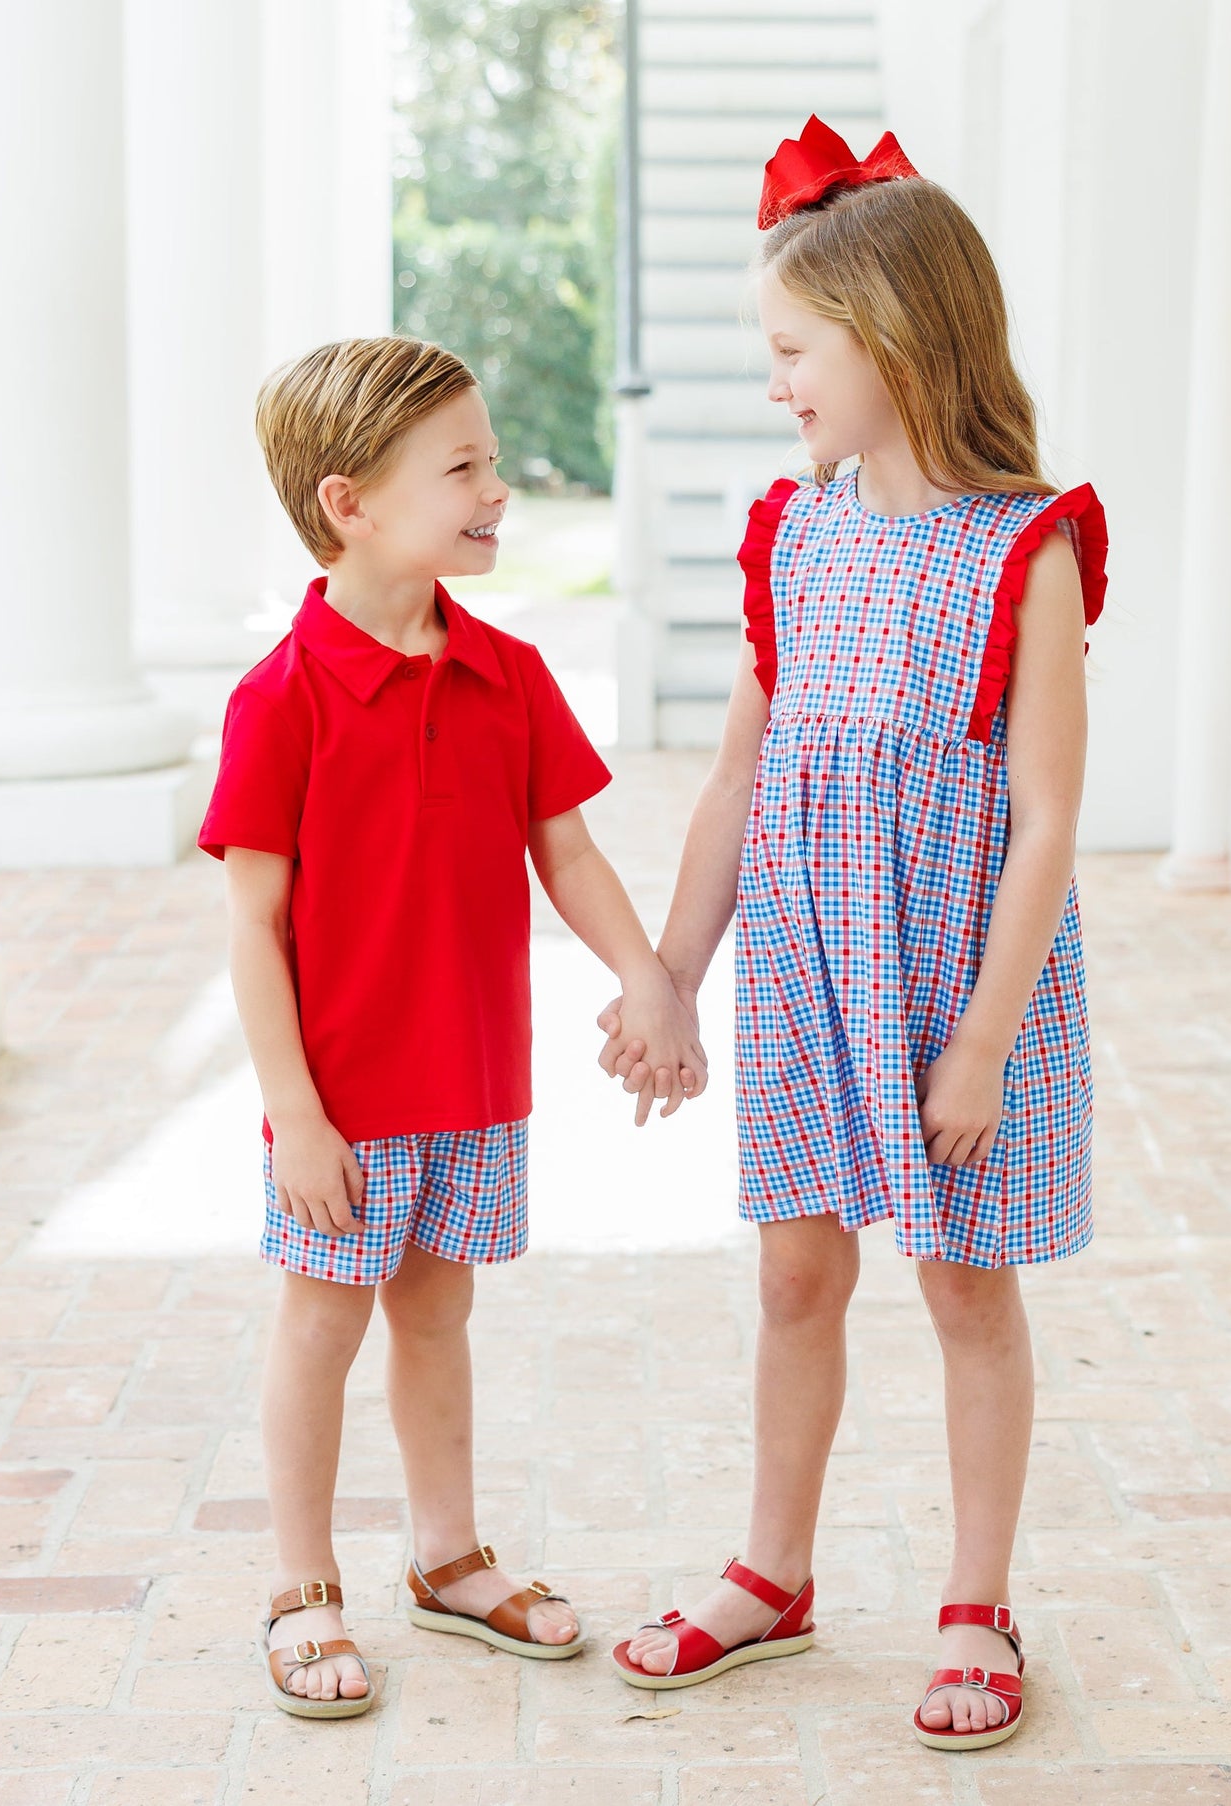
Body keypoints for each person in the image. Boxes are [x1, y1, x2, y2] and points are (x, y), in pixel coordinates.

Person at [599, 117, 1108, 1752]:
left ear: (893, 335)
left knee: (965, 1287)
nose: (777, 385)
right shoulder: (792, 534)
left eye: (790, 349)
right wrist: (673, 965)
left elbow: (1041, 819)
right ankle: (774, 1568)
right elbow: (744, 774)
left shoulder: (1022, 552)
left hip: (967, 987)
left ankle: (976, 1599)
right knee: (799, 1270)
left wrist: (979, 1035)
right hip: (811, 975)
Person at [199, 335, 705, 1718]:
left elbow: (570, 852)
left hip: (473, 1080)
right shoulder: (281, 697)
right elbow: (252, 925)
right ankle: (300, 1582)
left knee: (438, 1308)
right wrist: (296, 1113)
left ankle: (445, 1555)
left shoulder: (507, 671)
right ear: (348, 500)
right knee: (323, 1320)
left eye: (492, 458)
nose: (497, 489)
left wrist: (648, 973)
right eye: (463, 466)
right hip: (342, 1097)